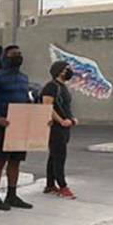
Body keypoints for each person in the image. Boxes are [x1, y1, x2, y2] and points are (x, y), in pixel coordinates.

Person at [0, 45, 34, 211]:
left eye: (20, 54)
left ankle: (12, 195)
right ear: (6, 57)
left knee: (16, 160)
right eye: (14, 55)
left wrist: (36, 117)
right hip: (3, 124)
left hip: (20, 124)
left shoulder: (24, 78)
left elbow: (27, 101)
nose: (18, 57)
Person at [42, 60, 77, 199]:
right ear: (59, 71)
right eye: (66, 69)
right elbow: (47, 107)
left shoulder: (63, 87)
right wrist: (61, 121)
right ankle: (63, 187)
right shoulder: (51, 86)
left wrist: (71, 119)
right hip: (55, 128)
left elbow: (65, 107)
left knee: (54, 156)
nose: (69, 71)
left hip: (65, 128)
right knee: (59, 157)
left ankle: (50, 185)